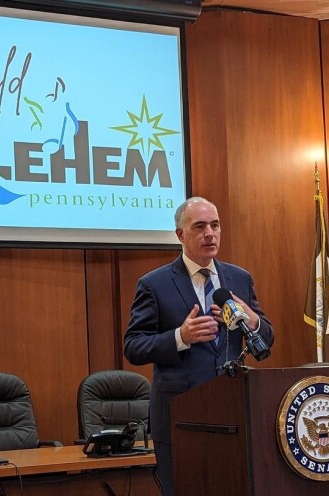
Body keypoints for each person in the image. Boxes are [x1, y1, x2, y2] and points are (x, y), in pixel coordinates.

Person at [124, 197, 274, 496]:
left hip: (233, 410)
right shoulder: (155, 283)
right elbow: (134, 346)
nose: (210, 233)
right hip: (180, 413)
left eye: (215, 225)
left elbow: (265, 338)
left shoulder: (238, 278)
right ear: (181, 235)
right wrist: (180, 336)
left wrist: (252, 319)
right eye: (200, 226)